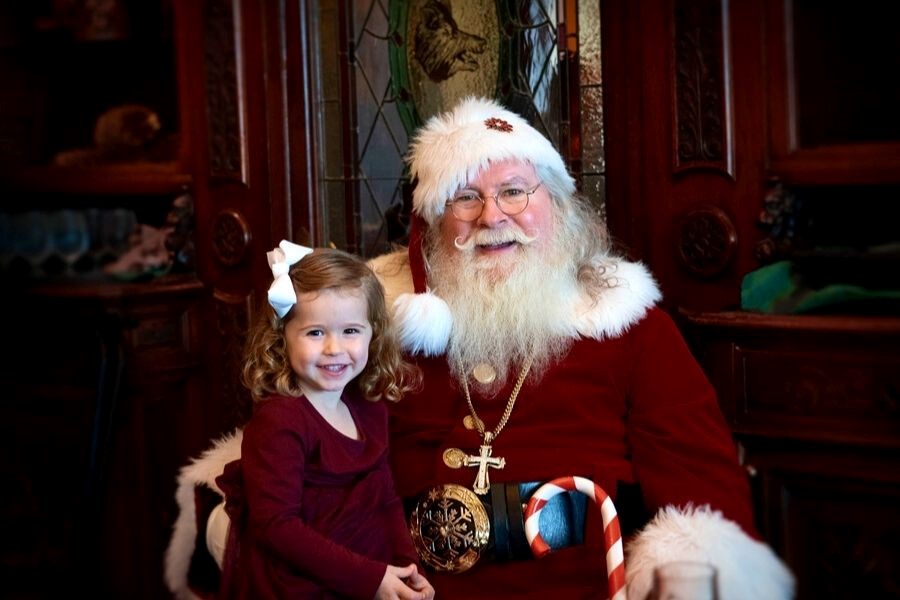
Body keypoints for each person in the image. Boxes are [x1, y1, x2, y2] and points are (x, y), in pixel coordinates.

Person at [166, 97, 794, 599]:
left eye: (516, 191)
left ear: (556, 206)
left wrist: (694, 573)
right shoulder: (367, 317)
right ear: (431, 222)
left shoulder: (625, 322)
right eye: (465, 197)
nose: (493, 216)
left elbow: (701, 488)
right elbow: (294, 441)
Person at [167, 244, 435, 600]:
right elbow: (277, 527)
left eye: (351, 331)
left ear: (373, 333)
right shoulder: (281, 422)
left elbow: (385, 498)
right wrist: (370, 579)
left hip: (363, 562)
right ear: (282, 338)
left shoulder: (368, 407)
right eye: (315, 333)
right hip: (301, 572)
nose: (334, 349)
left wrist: (407, 567)